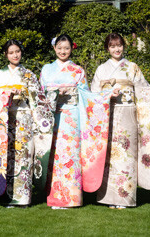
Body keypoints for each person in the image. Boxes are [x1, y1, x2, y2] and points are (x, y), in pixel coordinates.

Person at [91, 33, 150, 209]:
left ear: (123, 46)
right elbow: (93, 94)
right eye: (112, 46)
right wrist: (106, 94)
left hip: (128, 115)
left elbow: (146, 91)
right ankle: (109, 197)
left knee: (127, 155)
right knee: (109, 156)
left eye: (119, 45)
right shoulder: (101, 69)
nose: (116, 49)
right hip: (108, 115)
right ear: (107, 49)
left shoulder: (132, 67)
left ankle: (125, 198)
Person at [39, 34, 110, 209]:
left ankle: (71, 198)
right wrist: (54, 94)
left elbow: (86, 95)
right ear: (54, 48)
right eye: (60, 48)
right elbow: (40, 95)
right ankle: (54, 197)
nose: (63, 51)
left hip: (71, 117)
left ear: (72, 49)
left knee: (69, 156)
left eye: (67, 48)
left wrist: (108, 95)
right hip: (52, 117)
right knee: (53, 157)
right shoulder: (46, 69)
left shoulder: (78, 70)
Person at [0, 40, 55, 207]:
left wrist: (26, 93)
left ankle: (23, 197)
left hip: (24, 117)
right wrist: (5, 92)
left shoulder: (29, 75)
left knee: (24, 156)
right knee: (6, 156)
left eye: (17, 51)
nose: (15, 55)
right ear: (6, 55)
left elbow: (39, 98)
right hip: (4, 119)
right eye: (11, 52)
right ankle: (6, 196)